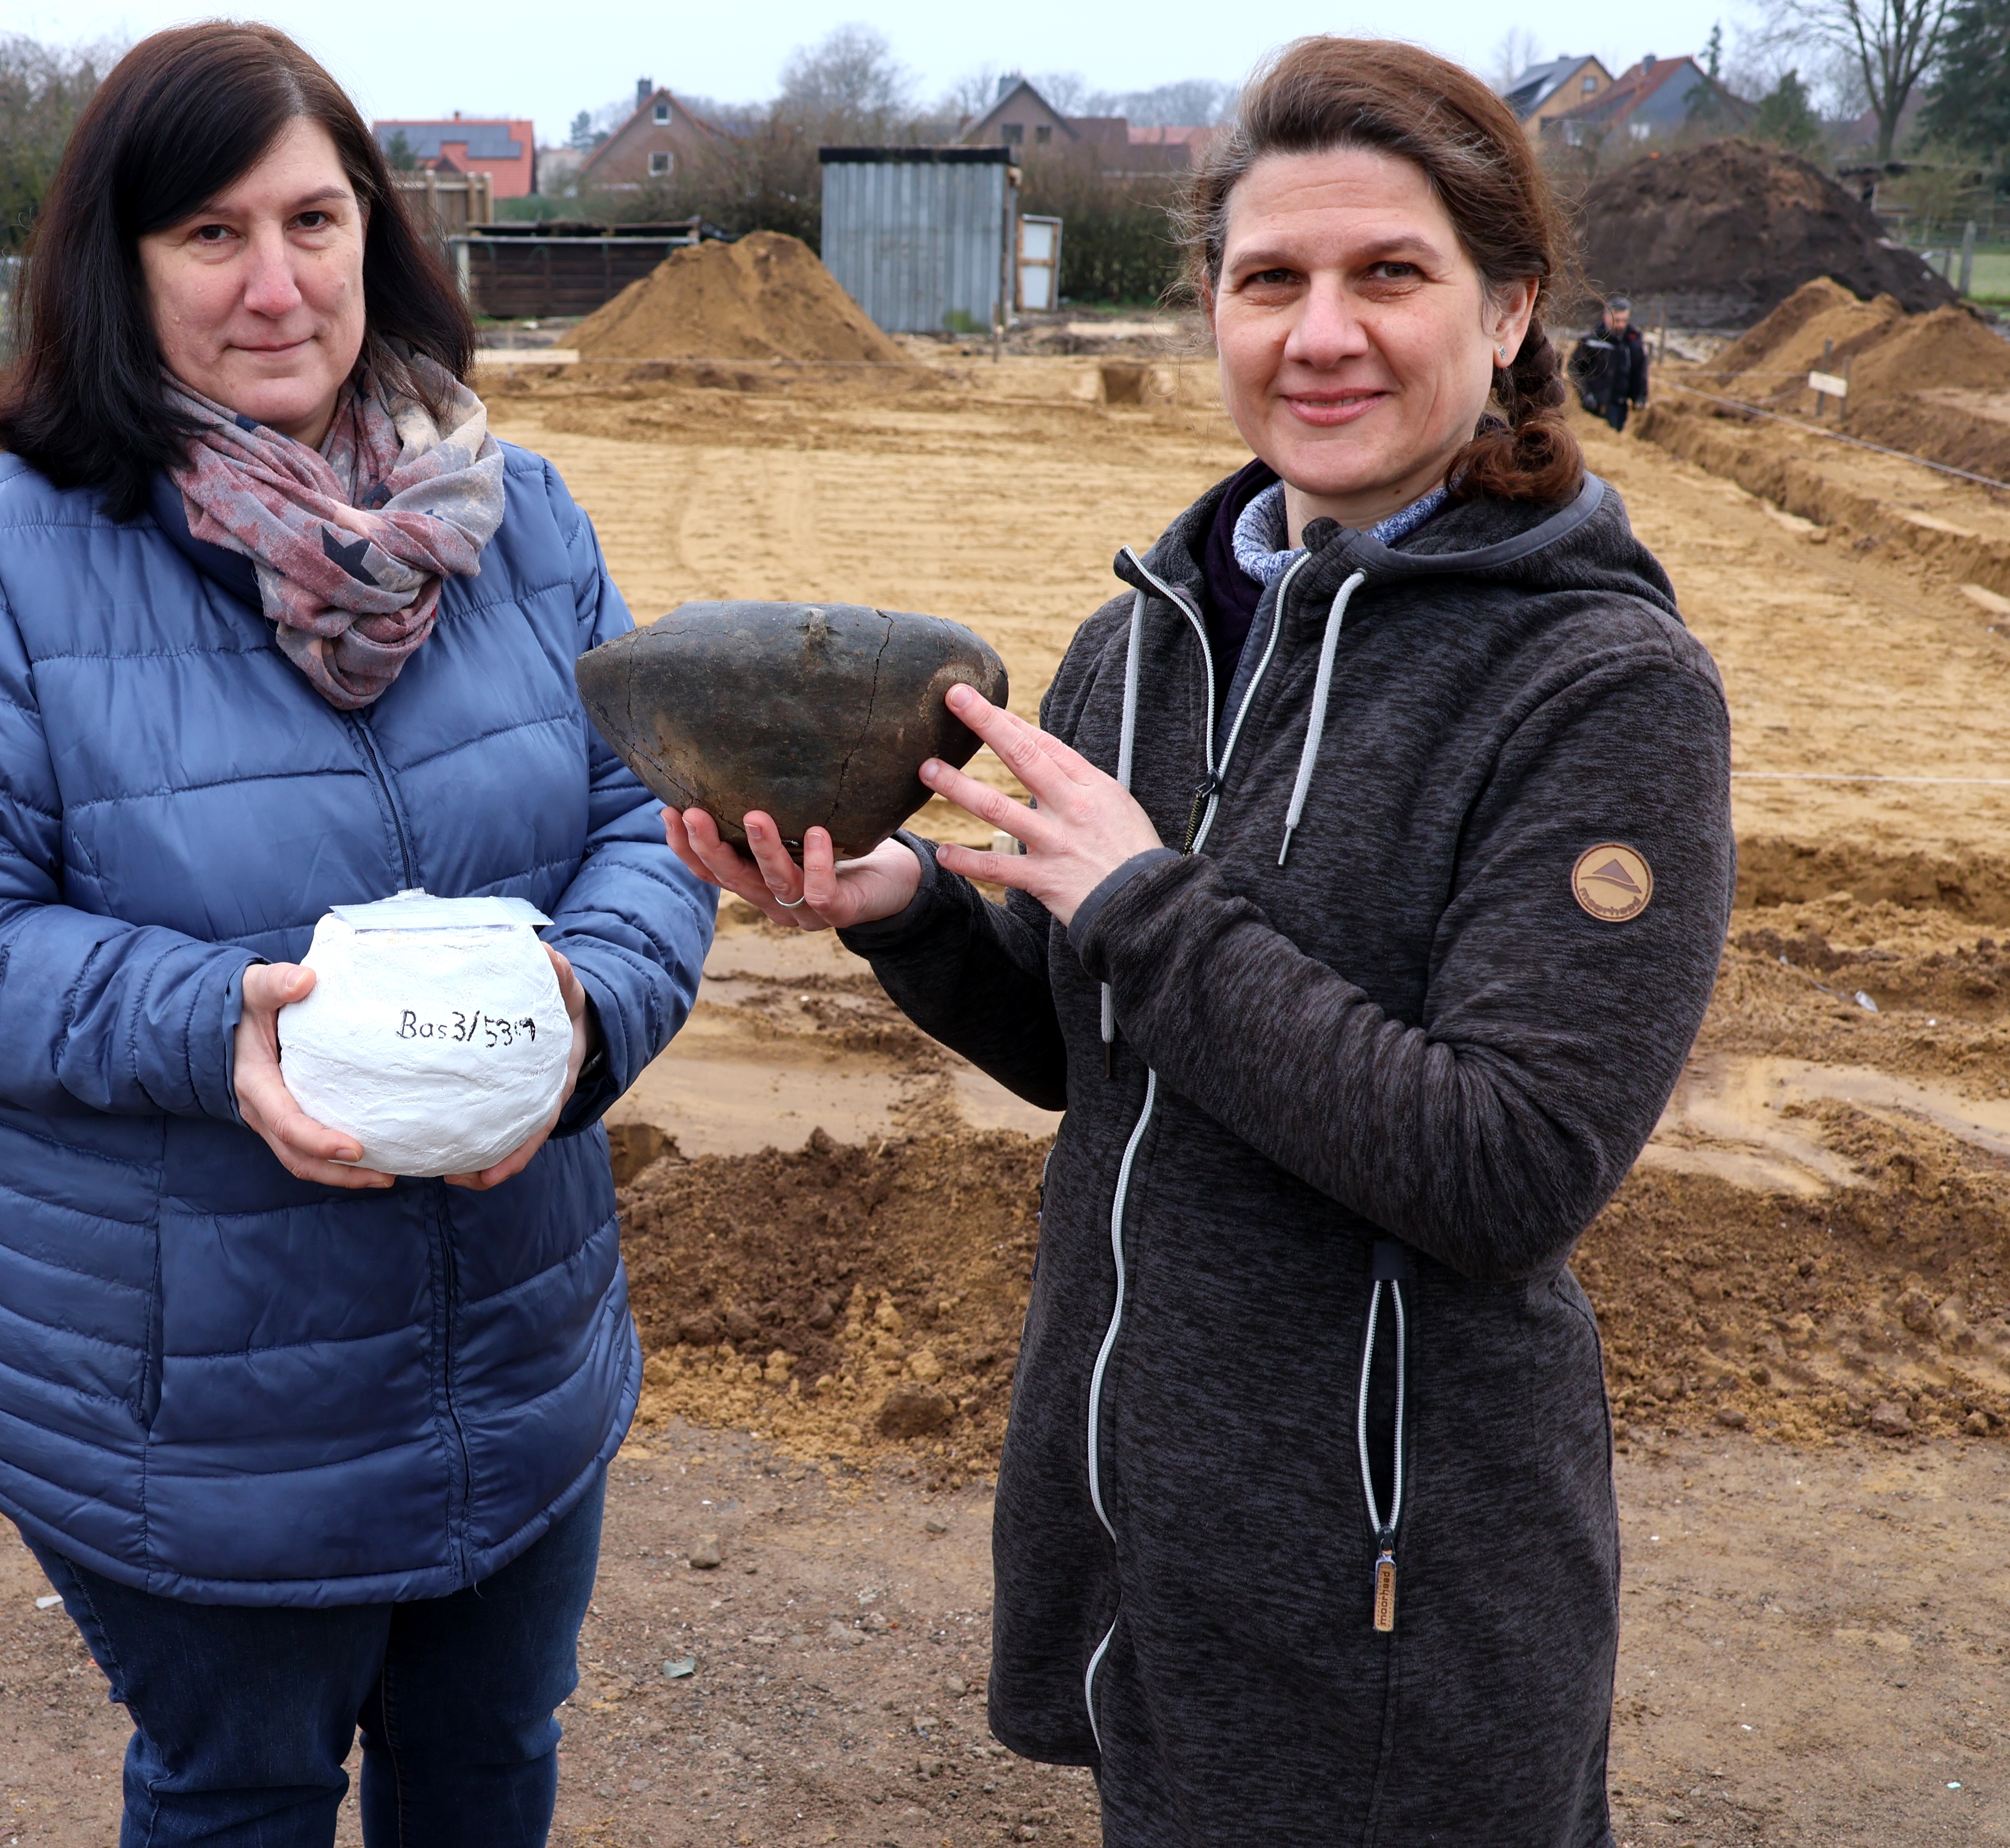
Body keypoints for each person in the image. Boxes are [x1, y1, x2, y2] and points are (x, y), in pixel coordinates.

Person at [665, 36, 1731, 1848]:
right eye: (1271, 281)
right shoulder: (1150, 634)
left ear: (1510, 309)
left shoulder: (1600, 688)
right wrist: (912, 913)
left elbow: (1506, 1166)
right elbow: (1100, 1048)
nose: (1323, 333)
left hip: (1402, 1588)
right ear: (1214, 314)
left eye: (1390, 273)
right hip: (1152, 1532)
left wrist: (1146, 899)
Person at [0, 23, 713, 1847]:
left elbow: (642, 815)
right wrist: (207, 1025)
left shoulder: (517, 522)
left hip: (515, 1341)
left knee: (493, 1758)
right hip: (183, 1393)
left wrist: (588, 1003)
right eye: (213, 235)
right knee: (242, 1788)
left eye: (316, 219)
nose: (280, 284)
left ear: (377, 231)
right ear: (118, 269)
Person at [1568, 293, 1650, 431]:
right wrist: (1585, 395)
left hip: (1620, 404)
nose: (1620, 325)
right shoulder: (1592, 342)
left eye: (1624, 321)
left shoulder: (1633, 341)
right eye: (1616, 320)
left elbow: (1640, 370)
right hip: (1595, 404)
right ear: (1606, 317)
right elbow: (1575, 368)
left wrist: (1640, 396)